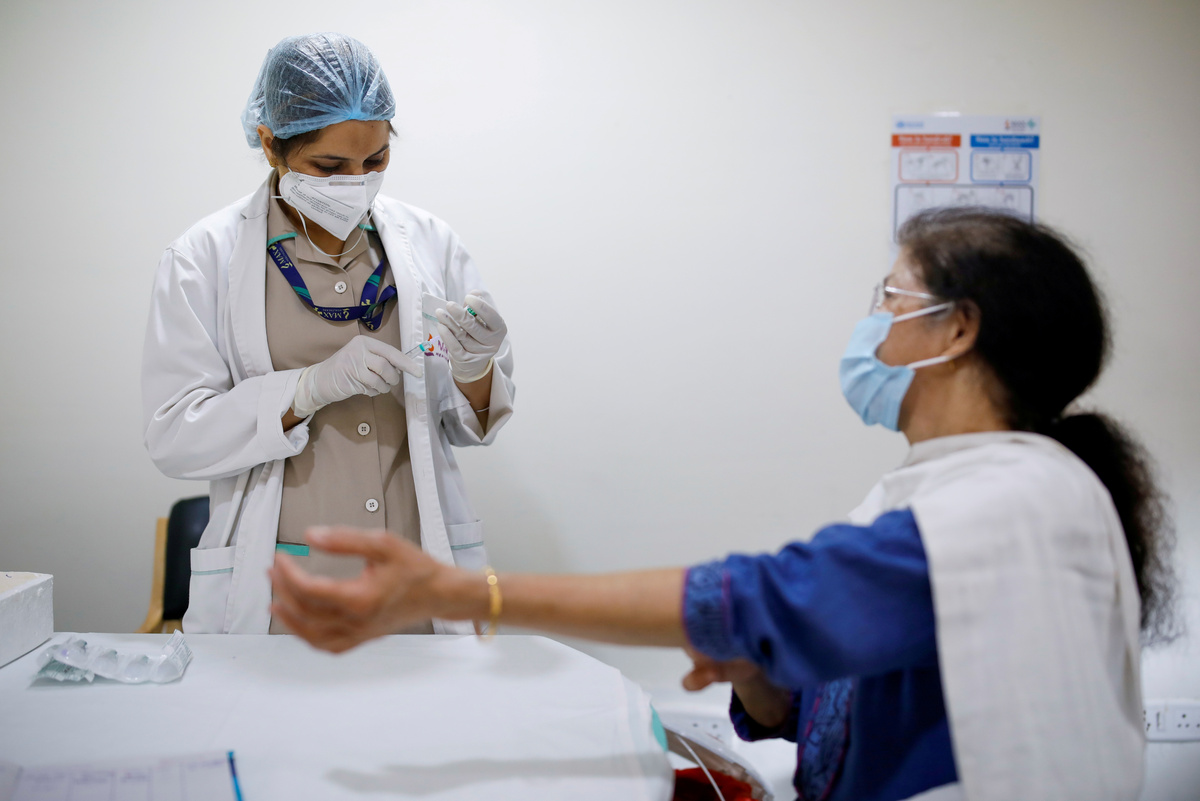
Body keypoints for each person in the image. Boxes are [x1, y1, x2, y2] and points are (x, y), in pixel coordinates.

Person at [270, 209, 1176, 800]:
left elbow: (758, 596)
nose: (873, 324)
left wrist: (457, 592)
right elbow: (840, 697)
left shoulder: (1016, 503)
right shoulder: (944, 488)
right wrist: (759, 678)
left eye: (890, 298)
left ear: (959, 328)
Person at [142, 33, 515, 635]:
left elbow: (470, 424)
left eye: (376, 160)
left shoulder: (430, 243)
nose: (357, 182)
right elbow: (175, 437)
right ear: (271, 144)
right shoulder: (202, 257)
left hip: (417, 586)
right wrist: (305, 391)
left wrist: (475, 372)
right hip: (281, 596)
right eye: (329, 167)